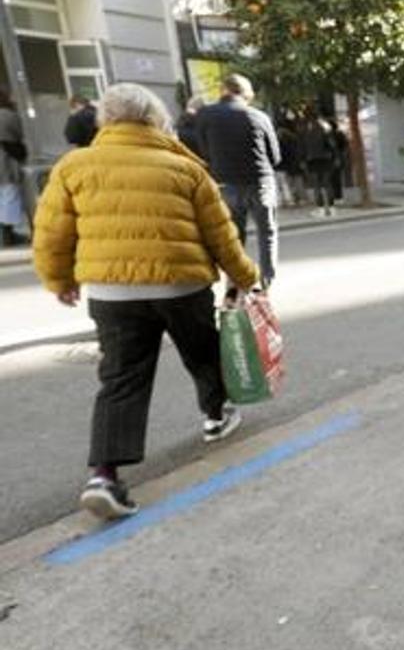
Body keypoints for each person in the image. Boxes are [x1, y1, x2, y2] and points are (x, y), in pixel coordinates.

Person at [32, 83, 260, 520]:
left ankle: (105, 476)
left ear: (105, 121)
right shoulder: (185, 168)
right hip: (181, 285)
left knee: (121, 378)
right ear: (157, 120)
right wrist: (246, 278)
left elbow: (52, 233)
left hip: (112, 290)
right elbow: (221, 234)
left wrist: (59, 280)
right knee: (202, 352)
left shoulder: (74, 165)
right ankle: (215, 415)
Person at [196, 74, 281, 287]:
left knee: (234, 234)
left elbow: (203, 151)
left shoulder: (206, 115)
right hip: (260, 181)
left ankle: (236, 280)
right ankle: (267, 278)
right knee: (267, 231)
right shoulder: (260, 116)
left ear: (223, 91)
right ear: (246, 94)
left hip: (226, 184)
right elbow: (275, 157)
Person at [0, 89, 27, 246]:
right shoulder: (6, 115)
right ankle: (7, 234)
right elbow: (14, 139)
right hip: (5, 164)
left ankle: (5, 233)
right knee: (9, 197)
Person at [301, 114, 337, 217]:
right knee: (327, 184)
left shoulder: (307, 133)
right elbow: (332, 146)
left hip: (312, 161)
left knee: (317, 185)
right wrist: (334, 156)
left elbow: (303, 148)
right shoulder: (326, 132)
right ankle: (331, 208)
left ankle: (320, 209)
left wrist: (303, 160)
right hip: (326, 160)